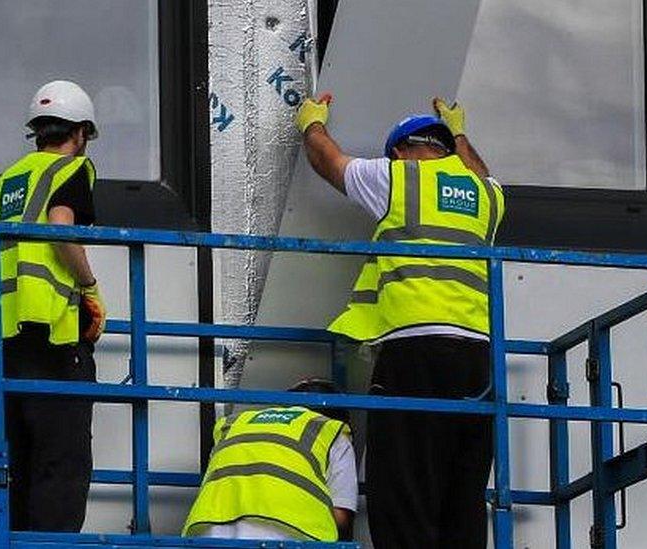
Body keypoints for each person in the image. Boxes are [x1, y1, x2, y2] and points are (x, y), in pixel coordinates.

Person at [296, 94, 505, 548]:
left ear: (400, 149)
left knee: (402, 488)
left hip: (415, 350)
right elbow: (479, 172)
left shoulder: (397, 178)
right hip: (479, 360)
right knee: (463, 491)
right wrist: (461, 132)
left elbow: (327, 161)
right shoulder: (488, 194)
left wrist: (311, 122)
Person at [0, 80, 107, 532]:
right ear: (80, 132)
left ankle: (8, 540)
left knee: (13, 460)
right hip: (52, 332)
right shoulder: (70, 170)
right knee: (61, 461)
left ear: (37, 131)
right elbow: (60, 225)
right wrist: (89, 287)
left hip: (4, 337)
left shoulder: (4, 183)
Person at [182, 378, 357, 542]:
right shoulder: (332, 431)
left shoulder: (235, 423)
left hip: (208, 532)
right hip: (287, 535)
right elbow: (340, 516)